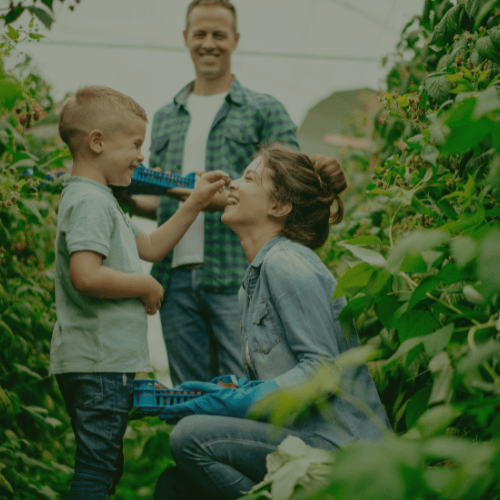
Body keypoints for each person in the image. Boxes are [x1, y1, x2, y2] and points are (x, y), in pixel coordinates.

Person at [153, 144, 392, 500]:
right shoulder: (256, 280)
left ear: (279, 206)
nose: (232, 184)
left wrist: (232, 403)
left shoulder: (287, 263)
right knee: (175, 487)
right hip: (305, 439)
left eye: (248, 178)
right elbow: (282, 379)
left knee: (189, 437)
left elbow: (320, 372)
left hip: (341, 449)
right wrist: (221, 392)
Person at [50, 85, 230, 499]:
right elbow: (86, 275)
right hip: (100, 362)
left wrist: (195, 202)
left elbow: (149, 247)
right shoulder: (91, 203)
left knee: (105, 466)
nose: (141, 157)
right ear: (97, 142)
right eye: (134, 144)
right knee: (96, 471)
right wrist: (145, 284)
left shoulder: (102, 201)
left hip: (96, 360)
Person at [129, 0, 300, 386]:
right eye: (200, 34)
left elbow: (288, 192)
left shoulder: (263, 110)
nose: (209, 43)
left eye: (219, 35)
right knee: (193, 398)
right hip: (173, 279)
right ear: (186, 39)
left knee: (251, 391)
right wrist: (125, 193)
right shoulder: (164, 115)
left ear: (235, 39)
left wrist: (183, 190)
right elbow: (160, 203)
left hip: (239, 277)